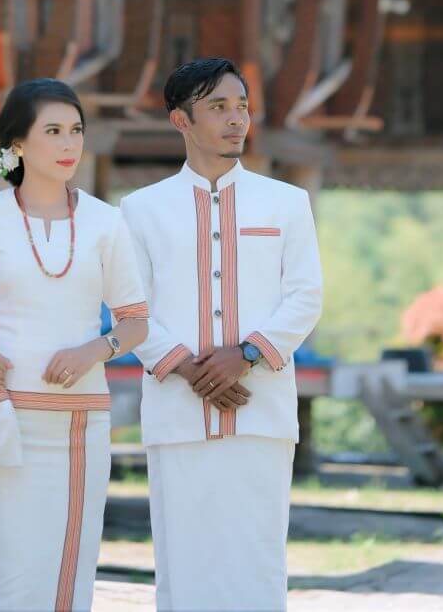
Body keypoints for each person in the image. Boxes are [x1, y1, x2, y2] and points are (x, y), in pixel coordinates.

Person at [0, 78, 147, 612]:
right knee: (6, 573)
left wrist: (94, 350)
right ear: (17, 144)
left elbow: (136, 321)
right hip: (4, 420)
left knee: (68, 569)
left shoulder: (107, 222)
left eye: (76, 130)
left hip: (81, 425)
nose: (70, 144)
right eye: (54, 131)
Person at [121, 57, 322, 612]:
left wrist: (247, 354)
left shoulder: (286, 203)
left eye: (242, 106)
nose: (236, 119)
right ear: (180, 120)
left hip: (262, 411)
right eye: (218, 107)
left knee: (258, 560)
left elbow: (305, 296)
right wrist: (191, 369)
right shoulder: (140, 210)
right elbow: (128, 307)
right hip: (176, 413)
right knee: (183, 562)